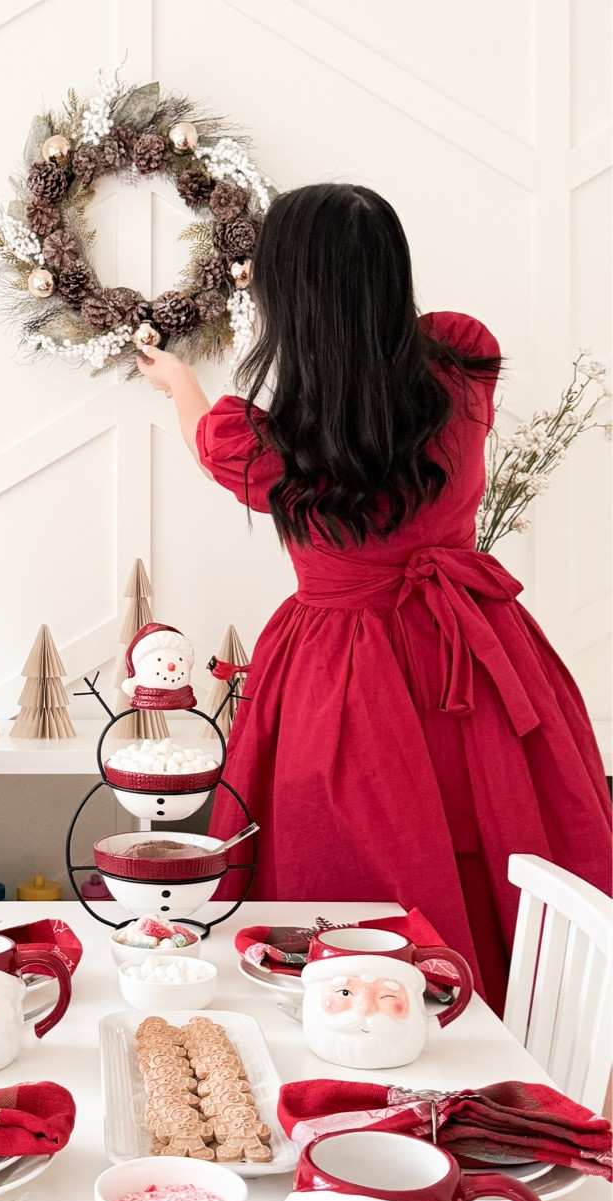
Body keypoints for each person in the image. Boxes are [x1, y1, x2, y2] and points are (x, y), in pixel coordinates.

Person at [136, 182, 611, 1013]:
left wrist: (181, 381)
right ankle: (509, 1027)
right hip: (476, 653)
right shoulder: (462, 383)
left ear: (292, 301)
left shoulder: (272, 447)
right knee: (496, 837)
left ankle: (355, 1016)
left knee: (344, 856)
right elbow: (440, 340)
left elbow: (205, 432)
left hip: (340, 671)